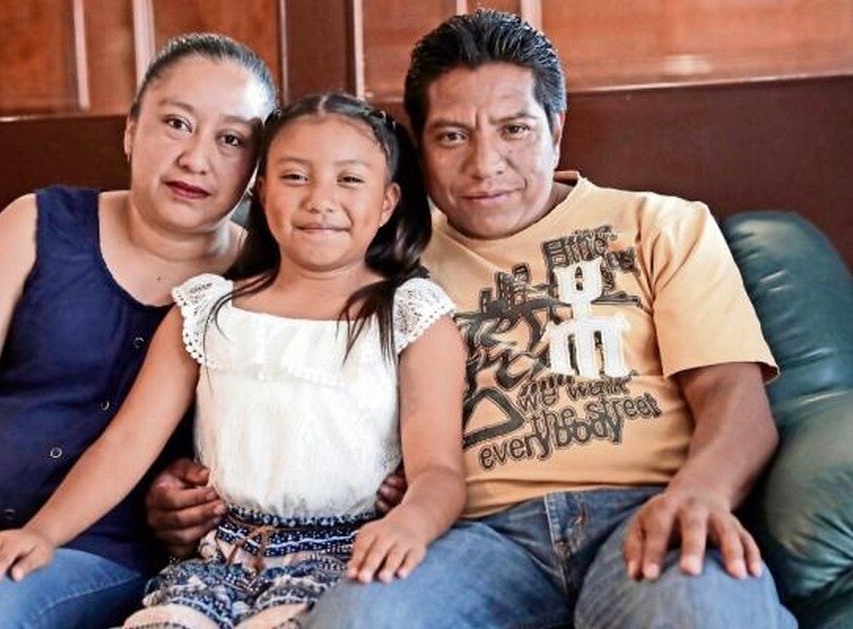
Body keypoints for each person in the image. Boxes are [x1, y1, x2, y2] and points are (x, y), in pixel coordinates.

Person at [162, 11, 798, 628]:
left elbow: (733, 399)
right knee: (363, 618)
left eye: (514, 129)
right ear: (417, 153)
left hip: (645, 510)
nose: (484, 163)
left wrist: (702, 492)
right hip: (476, 538)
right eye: (452, 135)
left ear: (557, 126)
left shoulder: (661, 224)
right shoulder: (381, 256)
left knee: (705, 611)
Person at [0, 92, 467, 629]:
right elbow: (127, 443)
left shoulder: (412, 315)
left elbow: (439, 470)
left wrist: (411, 524)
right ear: (260, 193)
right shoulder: (206, 308)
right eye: (295, 177)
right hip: (215, 560)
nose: (319, 200)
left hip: (344, 559)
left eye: (350, 180)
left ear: (388, 202)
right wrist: (41, 534)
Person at [0, 33, 278, 629]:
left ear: (255, 169)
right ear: (130, 130)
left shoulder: (260, 285)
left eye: (231, 140)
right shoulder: (35, 225)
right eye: (176, 123)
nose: (197, 158)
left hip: (102, 550)